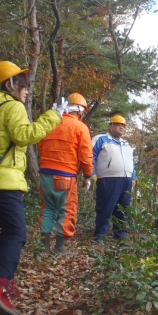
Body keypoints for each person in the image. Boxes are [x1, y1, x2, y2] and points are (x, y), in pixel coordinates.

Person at [0, 60, 64, 315]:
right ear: (9, 84)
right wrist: (53, 116)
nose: (26, 90)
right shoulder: (11, 106)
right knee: (15, 232)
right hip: (5, 184)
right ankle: (1, 286)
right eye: (23, 85)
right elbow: (24, 136)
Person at [38, 93, 94, 254]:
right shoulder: (80, 127)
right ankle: (60, 247)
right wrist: (88, 176)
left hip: (45, 174)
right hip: (66, 176)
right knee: (67, 209)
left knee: (47, 208)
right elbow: (86, 155)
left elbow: (41, 146)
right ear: (80, 111)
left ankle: (44, 246)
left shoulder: (51, 122)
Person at [91, 115, 135, 243]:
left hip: (126, 180)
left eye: (124, 125)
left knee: (123, 209)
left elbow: (131, 161)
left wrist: (133, 176)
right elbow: (90, 156)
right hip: (108, 179)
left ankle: (120, 236)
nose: (122, 127)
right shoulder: (101, 139)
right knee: (106, 208)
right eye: (118, 124)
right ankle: (99, 236)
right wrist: (92, 173)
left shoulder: (126, 144)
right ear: (110, 126)